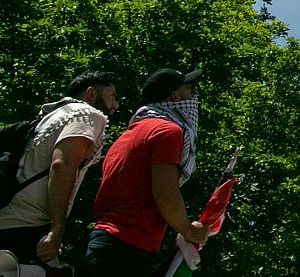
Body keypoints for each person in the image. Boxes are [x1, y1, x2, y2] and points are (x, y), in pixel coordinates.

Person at [83, 68, 208, 276]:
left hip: (106, 243)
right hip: (126, 250)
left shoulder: (131, 132)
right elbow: (165, 191)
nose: (193, 97)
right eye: (189, 90)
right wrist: (187, 229)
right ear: (175, 97)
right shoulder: (168, 131)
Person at [0, 72, 119, 266]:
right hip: (27, 227)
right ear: (91, 93)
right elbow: (63, 164)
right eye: (112, 95)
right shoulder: (88, 114)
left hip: (8, 217)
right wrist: (57, 230)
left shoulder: (53, 115)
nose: (115, 105)